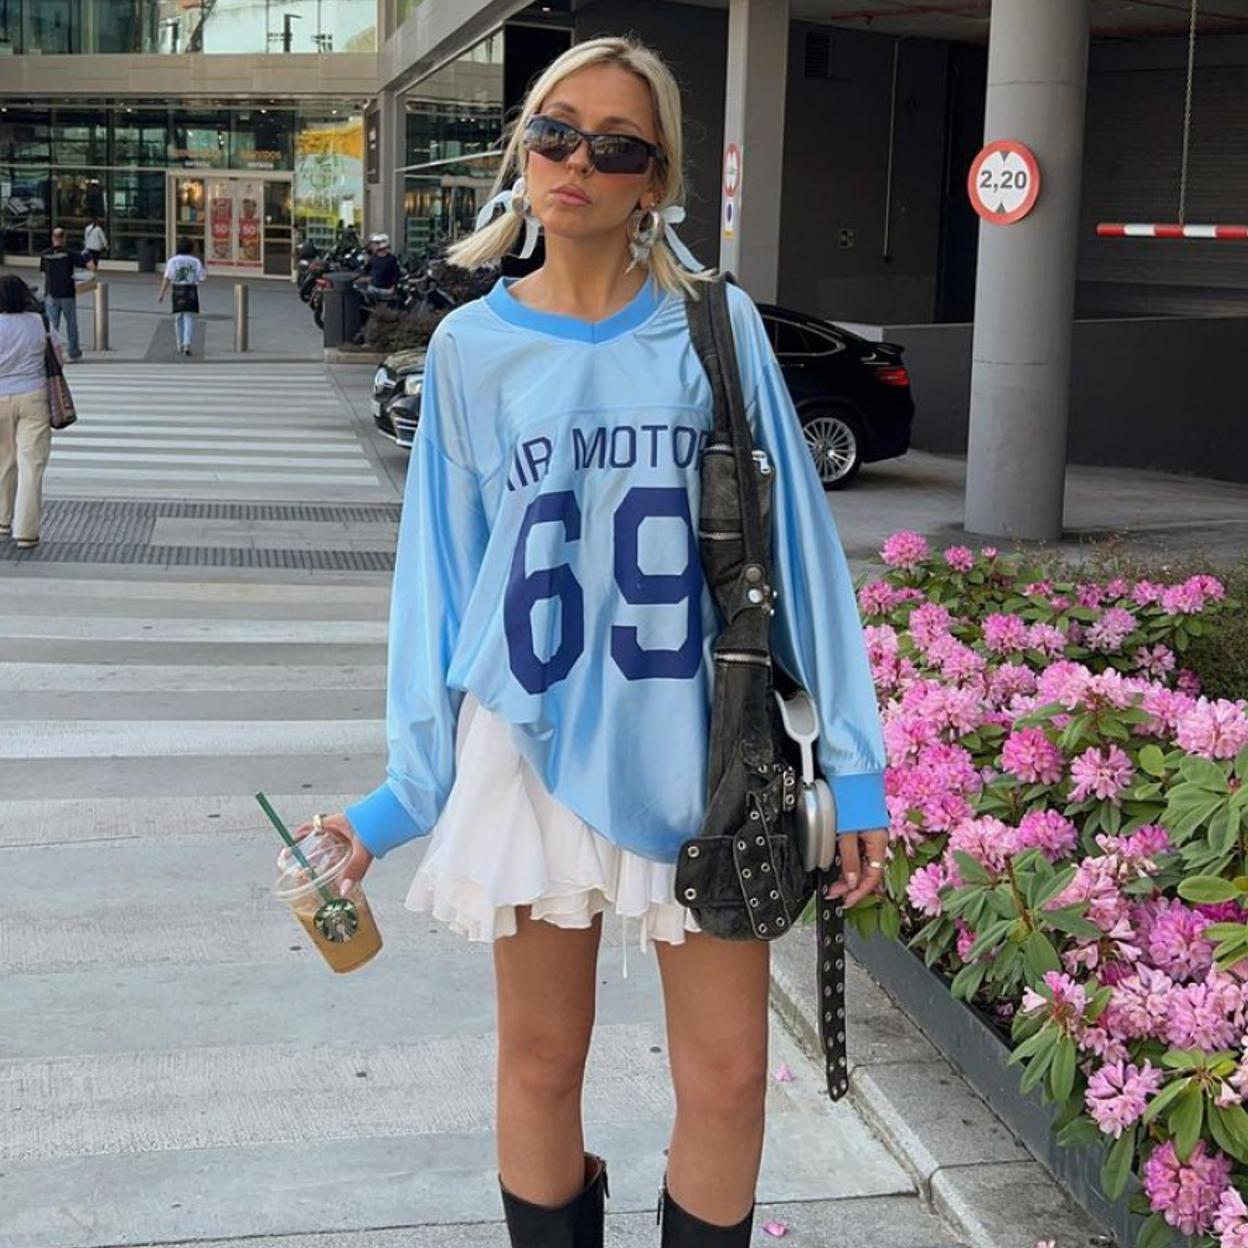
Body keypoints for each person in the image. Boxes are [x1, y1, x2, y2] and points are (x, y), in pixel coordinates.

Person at [297, 36, 888, 1248]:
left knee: (725, 1079)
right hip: (532, 743)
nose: (577, 160)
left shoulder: (714, 331)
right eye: (557, 131)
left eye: (615, 145)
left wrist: (860, 770)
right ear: (525, 147)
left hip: (704, 753)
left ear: (653, 179)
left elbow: (803, 561)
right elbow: (444, 590)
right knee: (540, 1063)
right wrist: (403, 798)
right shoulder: (470, 350)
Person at [0, 274, 54, 550]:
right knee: (31, 463)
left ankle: (2, 518)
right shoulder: (38, 322)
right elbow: (60, 357)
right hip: (34, 396)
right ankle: (26, 531)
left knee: (3, 460)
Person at [40, 226, 95, 363]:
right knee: (71, 324)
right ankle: (74, 352)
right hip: (67, 294)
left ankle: (52, 353)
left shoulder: (45, 254)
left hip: (51, 294)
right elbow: (91, 267)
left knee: (53, 325)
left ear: (53, 238)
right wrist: (87, 254)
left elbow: (43, 274)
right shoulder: (71, 254)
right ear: (64, 239)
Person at [157, 238, 207, 356]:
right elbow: (202, 277)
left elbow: (167, 278)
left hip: (177, 290)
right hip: (191, 290)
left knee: (178, 318)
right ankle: (187, 344)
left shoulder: (173, 261)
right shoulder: (195, 261)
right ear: (191, 248)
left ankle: (179, 344)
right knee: (189, 318)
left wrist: (161, 294)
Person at [362, 233, 400, 301]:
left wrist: (393, 287)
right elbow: (366, 271)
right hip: (373, 287)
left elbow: (396, 274)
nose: (373, 246)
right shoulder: (373, 257)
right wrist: (366, 263)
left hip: (386, 289)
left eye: (376, 244)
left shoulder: (391, 259)